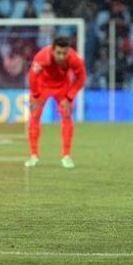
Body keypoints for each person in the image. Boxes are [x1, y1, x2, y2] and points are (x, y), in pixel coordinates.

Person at [25, 37, 86, 168]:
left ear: (68, 51)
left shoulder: (75, 59)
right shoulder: (42, 56)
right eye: (58, 53)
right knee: (34, 118)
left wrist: (69, 97)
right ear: (53, 50)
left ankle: (66, 156)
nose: (61, 56)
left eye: (64, 53)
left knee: (67, 117)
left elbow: (81, 78)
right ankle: (34, 156)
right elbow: (32, 76)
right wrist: (35, 95)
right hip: (42, 86)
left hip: (63, 87)